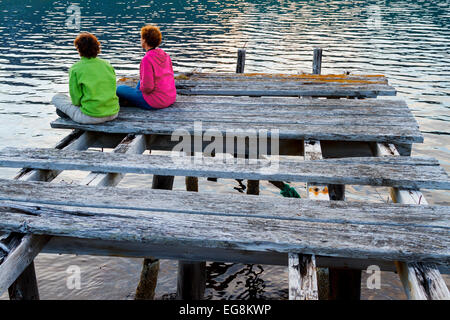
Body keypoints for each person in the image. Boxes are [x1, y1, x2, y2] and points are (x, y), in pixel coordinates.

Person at [52, 32, 119, 124]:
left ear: (79, 49)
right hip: (113, 113)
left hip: (90, 117)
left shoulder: (75, 68)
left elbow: (76, 101)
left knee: (57, 98)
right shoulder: (107, 65)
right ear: (97, 48)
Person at [116, 25, 176, 109]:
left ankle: (132, 99)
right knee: (141, 81)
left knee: (120, 89)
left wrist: (140, 90)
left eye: (141, 38)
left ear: (144, 40)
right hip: (170, 97)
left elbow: (148, 88)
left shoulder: (147, 59)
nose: (140, 40)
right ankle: (133, 97)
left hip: (155, 102)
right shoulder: (165, 55)